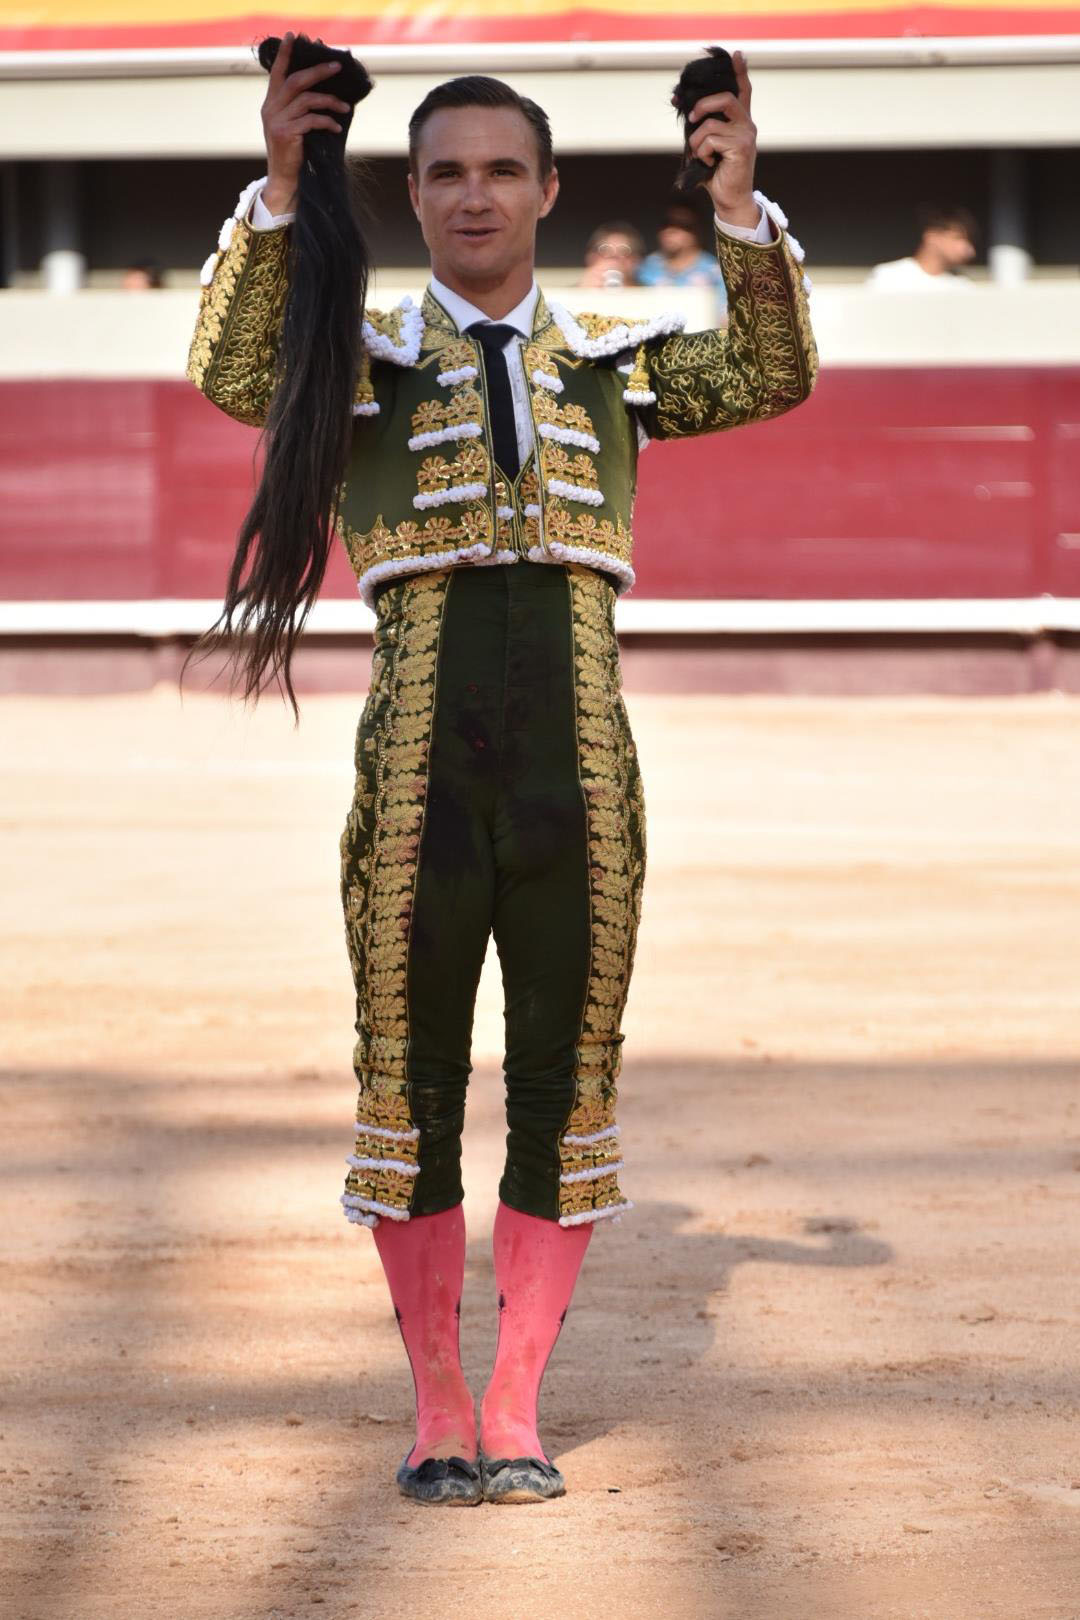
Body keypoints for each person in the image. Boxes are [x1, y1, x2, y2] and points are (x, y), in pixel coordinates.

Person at [185, 34, 816, 1507]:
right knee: (405, 1078)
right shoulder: (358, 353)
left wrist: (736, 206)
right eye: (446, 174)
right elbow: (226, 368)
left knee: (564, 1076)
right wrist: (284, 185)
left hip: (580, 766)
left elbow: (768, 370)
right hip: (418, 766)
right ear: (409, 194)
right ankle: (438, 1398)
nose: (474, 197)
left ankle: (519, 1403)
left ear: (547, 189)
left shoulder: (612, 352)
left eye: (500, 172)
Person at [867, 205, 978, 290]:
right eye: (958, 238)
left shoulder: (963, 286)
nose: (969, 250)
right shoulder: (889, 277)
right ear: (931, 236)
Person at [638, 199, 729, 297]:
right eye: (666, 223)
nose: (669, 230)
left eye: (681, 224)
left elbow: (723, 310)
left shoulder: (715, 272)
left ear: (698, 231)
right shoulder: (645, 267)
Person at [579, 220, 645, 288]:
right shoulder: (570, 293)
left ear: (636, 260)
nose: (614, 257)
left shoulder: (651, 292)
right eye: (604, 250)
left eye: (624, 251)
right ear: (591, 257)